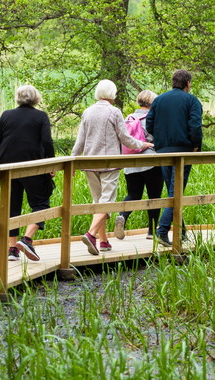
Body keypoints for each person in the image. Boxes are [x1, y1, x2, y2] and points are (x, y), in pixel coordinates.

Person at [71, 79, 152, 255]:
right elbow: (125, 139)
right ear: (112, 94)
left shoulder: (87, 112)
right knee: (107, 201)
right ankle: (91, 235)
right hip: (109, 163)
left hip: (89, 163)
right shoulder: (114, 112)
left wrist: (72, 161)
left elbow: (80, 141)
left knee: (98, 202)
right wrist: (143, 144)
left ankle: (104, 242)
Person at [0, 85, 55, 262]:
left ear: (18, 98)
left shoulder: (6, 115)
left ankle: (12, 249)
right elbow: (47, 141)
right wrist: (52, 163)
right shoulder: (41, 116)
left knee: (12, 207)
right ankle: (27, 239)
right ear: (36, 99)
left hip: (8, 167)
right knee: (41, 202)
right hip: (33, 166)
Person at [146, 70, 203, 248]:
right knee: (175, 192)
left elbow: (149, 123)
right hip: (182, 151)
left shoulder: (159, 100)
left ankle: (181, 231)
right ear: (187, 83)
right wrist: (195, 145)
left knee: (173, 191)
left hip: (163, 151)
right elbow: (195, 125)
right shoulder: (192, 100)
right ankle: (162, 231)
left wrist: (159, 141)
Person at [114, 90, 163, 240]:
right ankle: (151, 231)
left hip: (131, 162)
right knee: (154, 196)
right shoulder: (153, 117)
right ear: (153, 103)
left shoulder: (128, 118)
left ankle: (123, 216)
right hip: (151, 161)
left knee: (133, 194)